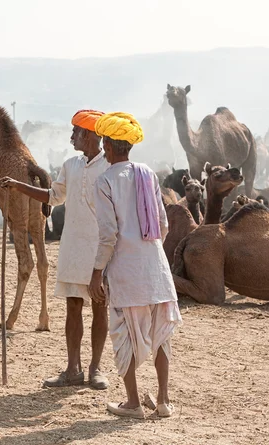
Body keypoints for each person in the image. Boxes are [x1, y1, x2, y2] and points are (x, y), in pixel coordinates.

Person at [0, 109, 110, 390]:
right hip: (73, 246)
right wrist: (18, 187)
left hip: (100, 248)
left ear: (90, 135)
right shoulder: (71, 165)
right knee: (73, 306)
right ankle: (73, 369)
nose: (72, 136)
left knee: (100, 306)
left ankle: (95, 369)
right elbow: (54, 197)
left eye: (76, 131)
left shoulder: (111, 166)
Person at [88, 112, 182, 419]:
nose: (102, 148)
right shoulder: (148, 174)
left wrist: (97, 272)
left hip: (126, 272)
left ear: (111, 147)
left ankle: (132, 403)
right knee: (161, 335)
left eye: (104, 142)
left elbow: (108, 234)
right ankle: (164, 401)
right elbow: (163, 224)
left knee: (123, 333)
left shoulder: (105, 181)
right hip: (156, 269)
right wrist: (149, 251)